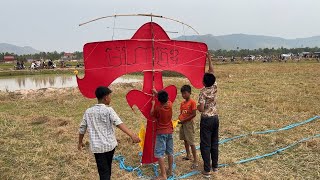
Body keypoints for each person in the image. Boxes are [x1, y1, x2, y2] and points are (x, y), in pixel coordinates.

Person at [78, 86, 140, 180]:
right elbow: (119, 123)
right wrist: (132, 135)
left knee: (103, 170)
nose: (110, 98)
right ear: (106, 97)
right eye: (110, 96)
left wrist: (80, 142)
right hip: (110, 146)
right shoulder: (109, 110)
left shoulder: (88, 112)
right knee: (107, 170)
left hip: (97, 148)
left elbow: (82, 128)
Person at [197, 53, 219, 177]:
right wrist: (209, 58)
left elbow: (200, 108)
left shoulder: (203, 92)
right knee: (214, 142)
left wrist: (197, 107)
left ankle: (207, 170)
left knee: (205, 144)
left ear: (204, 82)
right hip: (215, 118)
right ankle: (215, 166)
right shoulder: (214, 86)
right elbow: (212, 71)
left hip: (206, 119)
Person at [151, 90, 174, 180]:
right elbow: (166, 100)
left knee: (159, 153)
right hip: (170, 131)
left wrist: (153, 104)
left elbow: (152, 114)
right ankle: (170, 171)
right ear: (167, 98)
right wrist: (157, 94)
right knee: (170, 152)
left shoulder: (158, 108)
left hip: (161, 133)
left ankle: (163, 175)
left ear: (159, 100)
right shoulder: (170, 105)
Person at [178, 85, 198, 169]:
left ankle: (195, 160)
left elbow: (194, 114)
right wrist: (179, 119)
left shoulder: (192, 102)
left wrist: (184, 120)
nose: (183, 95)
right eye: (182, 94)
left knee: (191, 141)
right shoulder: (182, 103)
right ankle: (188, 155)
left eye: (185, 93)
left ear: (189, 93)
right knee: (185, 139)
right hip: (182, 123)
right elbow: (181, 113)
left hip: (188, 124)